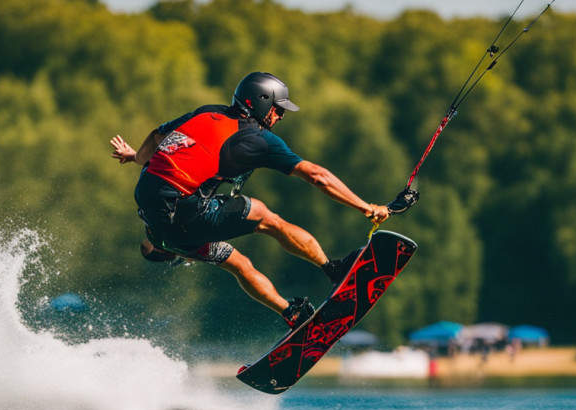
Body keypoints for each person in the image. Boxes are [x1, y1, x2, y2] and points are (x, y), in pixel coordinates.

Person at [110, 72, 390, 328]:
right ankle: (335, 270)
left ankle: (291, 313)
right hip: (185, 217)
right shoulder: (258, 139)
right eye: (278, 109)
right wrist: (367, 208)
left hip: (157, 229)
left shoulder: (208, 113)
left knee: (239, 263)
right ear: (262, 104)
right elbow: (317, 176)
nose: (280, 116)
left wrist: (138, 158)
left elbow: (157, 135)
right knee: (267, 217)